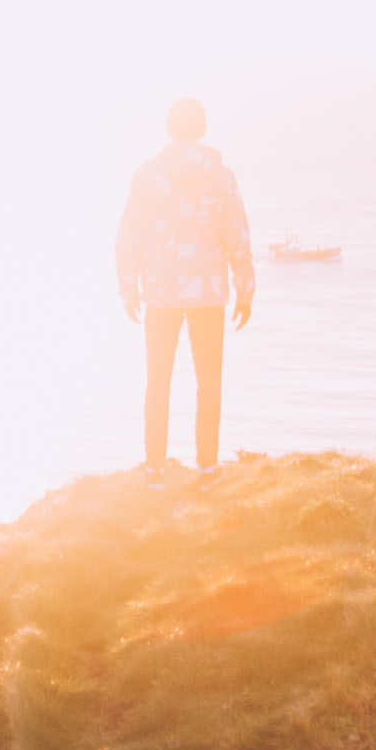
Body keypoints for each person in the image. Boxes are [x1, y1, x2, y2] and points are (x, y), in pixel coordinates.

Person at [115, 97, 253, 474]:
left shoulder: (148, 174)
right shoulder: (220, 175)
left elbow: (130, 234)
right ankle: (207, 467)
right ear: (203, 128)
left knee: (157, 380)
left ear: (169, 128)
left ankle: (155, 467)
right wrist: (246, 286)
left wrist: (128, 286)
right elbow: (236, 234)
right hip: (208, 291)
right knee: (209, 381)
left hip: (160, 291)